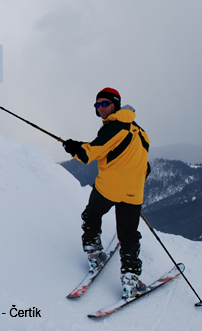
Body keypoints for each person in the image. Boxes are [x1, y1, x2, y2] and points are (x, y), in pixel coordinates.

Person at [63, 87, 151, 299]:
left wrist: (71, 146)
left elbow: (88, 154)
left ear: (115, 104)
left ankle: (94, 254)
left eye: (104, 104)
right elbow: (145, 167)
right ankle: (130, 281)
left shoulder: (113, 127)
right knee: (129, 235)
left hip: (108, 188)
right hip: (133, 193)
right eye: (97, 105)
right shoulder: (142, 133)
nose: (100, 109)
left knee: (92, 215)